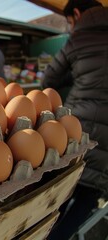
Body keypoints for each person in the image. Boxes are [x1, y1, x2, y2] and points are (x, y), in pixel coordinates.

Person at [42, 1, 108, 239]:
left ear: (77, 14)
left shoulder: (78, 40)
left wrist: (76, 77)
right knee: (88, 197)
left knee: (59, 195)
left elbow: (48, 81)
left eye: (69, 22)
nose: (70, 27)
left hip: (76, 131)